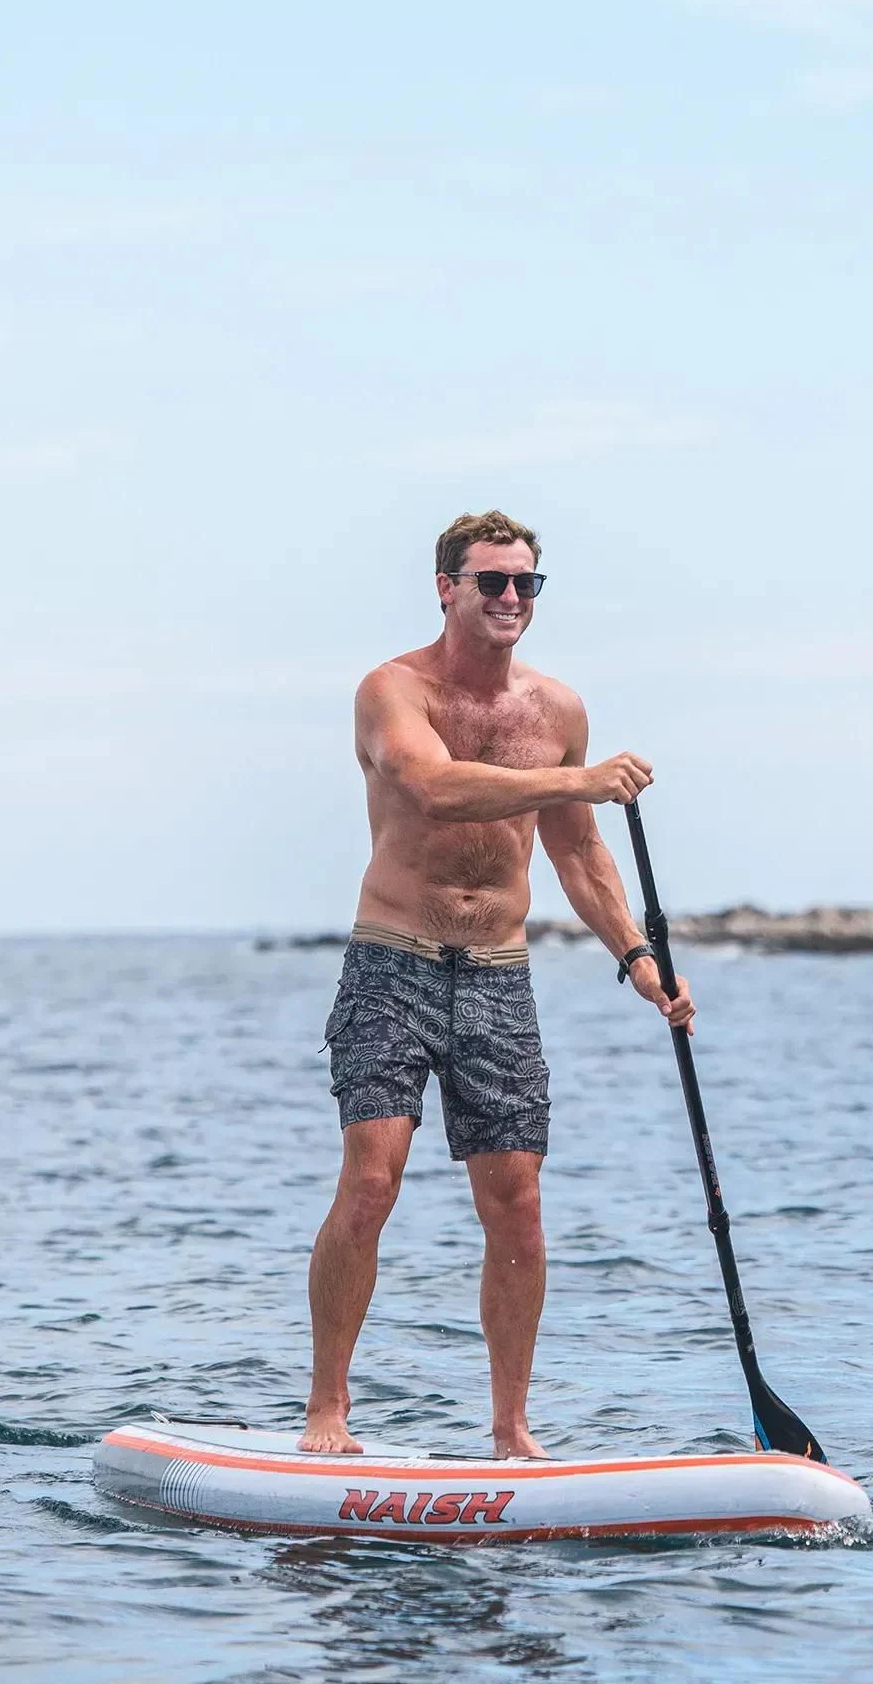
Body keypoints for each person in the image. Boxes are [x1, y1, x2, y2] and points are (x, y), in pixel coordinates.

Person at [300, 510, 693, 1458]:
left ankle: (513, 1429)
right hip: (391, 963)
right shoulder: (392, 691)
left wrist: (639, 960)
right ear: (448, 589)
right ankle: (327, 1408)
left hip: (499, 979)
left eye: (526, 584)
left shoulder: (557, 715)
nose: (511, 599)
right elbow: (433, 786)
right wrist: (578, 780)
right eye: (492, 582)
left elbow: (580, 854)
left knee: (517, 1202)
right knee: (371, 1183)